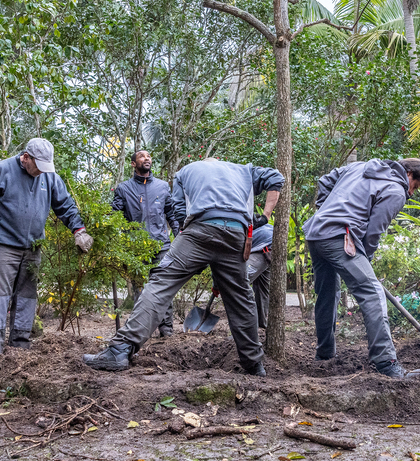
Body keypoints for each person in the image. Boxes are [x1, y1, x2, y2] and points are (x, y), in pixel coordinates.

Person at [83, 158, 282, 375]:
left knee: (161, 284)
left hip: (199, 230)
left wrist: (188, 251)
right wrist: (265, 217)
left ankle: (120, 350)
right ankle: (254, 365)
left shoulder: (185, 171)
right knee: (241, 297)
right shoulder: (244, 169)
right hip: (236, 234)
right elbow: (276, 178)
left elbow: (179, 212)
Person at [0, 138, 93, 360]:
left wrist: (78, 230)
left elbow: (65, 206)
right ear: (25, 158)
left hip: (33, 247)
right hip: (4, 246)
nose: (42, 171)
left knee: (26, 300)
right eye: (38, 166)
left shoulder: (49, 176)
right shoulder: (1, 171)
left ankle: (19, 352)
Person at [302, 158, 420, 378]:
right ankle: (386, 363)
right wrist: (366, 259)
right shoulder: (396, 190)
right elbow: (374, 231)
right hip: (339, 238)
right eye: (415, 187)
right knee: (373, 293)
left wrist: (325, 212)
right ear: (409, 174)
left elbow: (325, 181)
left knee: (327, 293)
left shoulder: (359, 166)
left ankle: (324, 354)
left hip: (316, 233)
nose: (411, 192)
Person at [111, 150, 178, 336]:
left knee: (164, 287)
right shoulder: (123, 189)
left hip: (161, 246)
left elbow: (171, 214)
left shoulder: (163, 187)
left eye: (148, 156)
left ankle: (166, 330)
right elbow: (115, 215)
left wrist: (180, 236)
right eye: (141, 156)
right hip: (136, 248)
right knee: (140, 291)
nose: (146, 158)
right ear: (133, 164)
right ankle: (141, 331)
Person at [246, 223, 274, 329]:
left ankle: (245, 329)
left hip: (264, 248)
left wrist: (217, 285)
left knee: (238, 284)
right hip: (269, 244)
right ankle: (261, 324)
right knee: (262, 288)